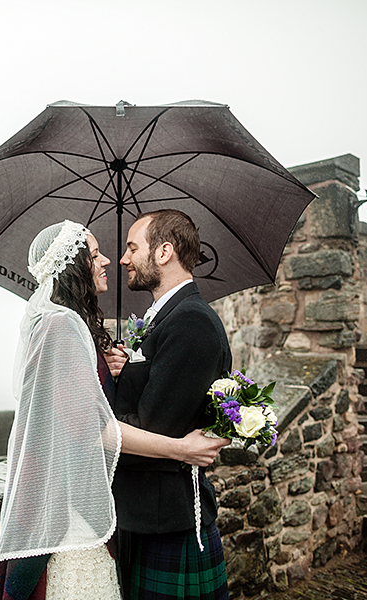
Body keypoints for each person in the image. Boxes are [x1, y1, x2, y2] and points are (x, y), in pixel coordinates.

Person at [0, 220, 228, 600]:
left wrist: (114, 369)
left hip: (139, 513)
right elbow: (90, 427)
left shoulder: (73, 326)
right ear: (74, 265)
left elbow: (98, 413)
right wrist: (181, 449)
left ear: (164, 252)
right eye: (96, 253)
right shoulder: (61, 326)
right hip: (79, 514)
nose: (112, 260)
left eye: (130, 248)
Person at [110, 209, 232, 600]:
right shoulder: (166, 319)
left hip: (169, 519)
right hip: (148, 516)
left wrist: (95, 425)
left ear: (164, 252)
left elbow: (154, 430)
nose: (124, 258)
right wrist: (126, 370)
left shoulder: (190, 322)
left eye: (132, 248)